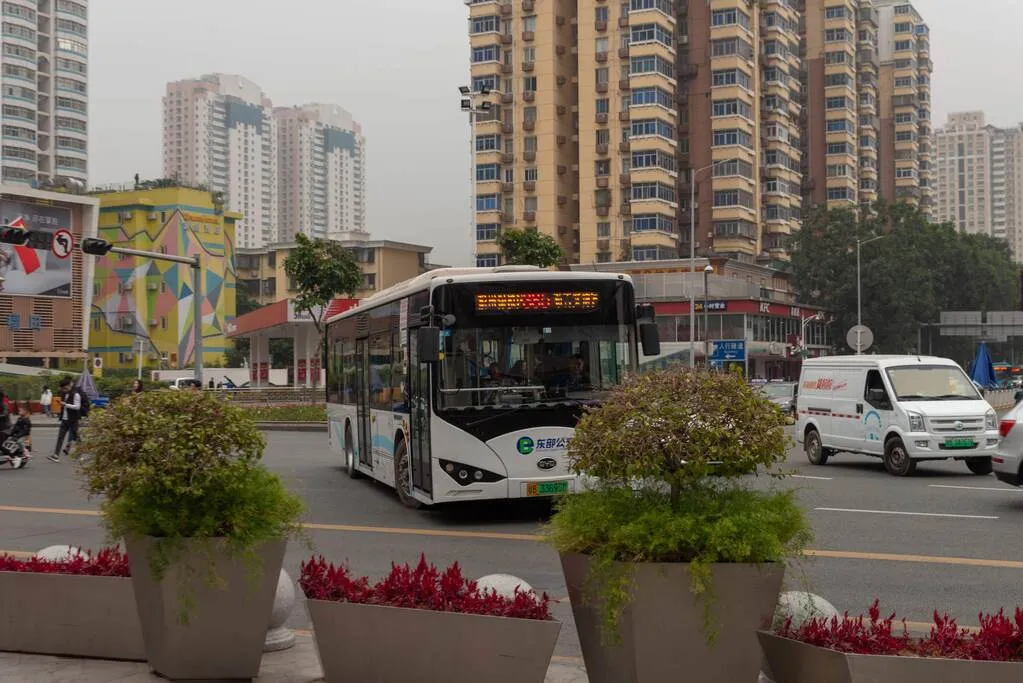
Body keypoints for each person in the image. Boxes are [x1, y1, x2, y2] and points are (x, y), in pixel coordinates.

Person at [49, 378, 81, 463]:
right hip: (64, 419)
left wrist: (65, 404)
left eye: (64, 388)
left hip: (73, 420)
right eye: (62, 388)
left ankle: (80, 454)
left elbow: (77, 407)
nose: (63, 390)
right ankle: (56, 455)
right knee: (60, 437)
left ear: (68, 386)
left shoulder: (76, 395)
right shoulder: (64, 394)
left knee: (76, 438)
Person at [8, 404, 31, 468]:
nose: (19, 412)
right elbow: (15, 427)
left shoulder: (26, 420)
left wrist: (18, 436)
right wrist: (10, 433)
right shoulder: (19, 419)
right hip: (18, 434)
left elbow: (25, 431)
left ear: (25, 411)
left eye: (20, 411)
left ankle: (24, 451)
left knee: (19, 441)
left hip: (24, 435)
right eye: (19, 411)